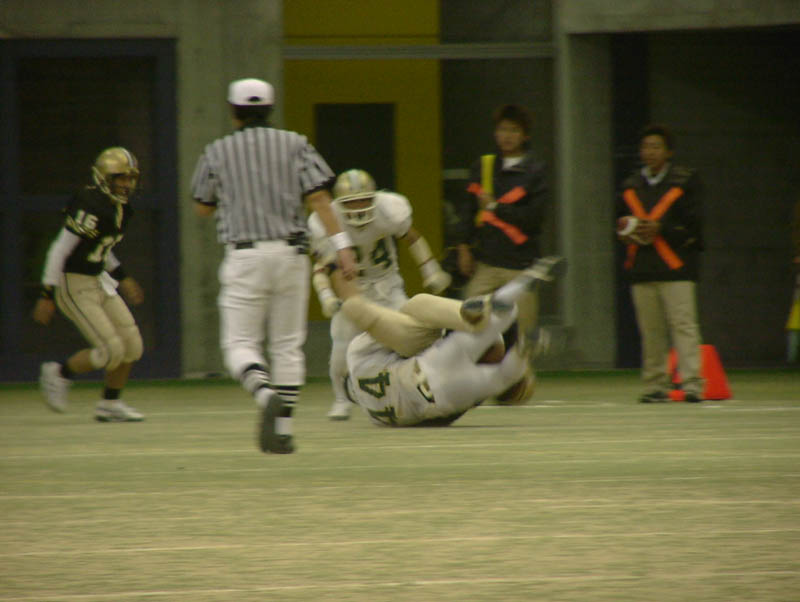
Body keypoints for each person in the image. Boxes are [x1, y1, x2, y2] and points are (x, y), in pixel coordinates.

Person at [190, 78, 357, 454]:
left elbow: (202, 206)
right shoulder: (296, 144)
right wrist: (343, 247)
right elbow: (320, 198)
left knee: (239, 344)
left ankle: (265, 395)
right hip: (291, 255)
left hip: (245, 255)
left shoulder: (216, 150)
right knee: (287, 346)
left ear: (233, 112)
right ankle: (282, 432)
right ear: (270, 109)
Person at [316, 255, 564, 427]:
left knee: (497, 368)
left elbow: (437, 420)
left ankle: (516, 342)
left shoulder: (376, 418)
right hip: (426, 382)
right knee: (416, 309)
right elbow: (393, 332)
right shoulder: (357, 365)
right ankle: (494, 318)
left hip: (436, 392)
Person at [309, 168, 451, 420]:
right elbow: (321, 267)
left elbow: (412, 238)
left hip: (387, 285)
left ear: (375, 198)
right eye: (351, 202)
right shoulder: (328, 221)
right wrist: (327, 297)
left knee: (412, 336)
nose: (358, 207)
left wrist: (430, 270)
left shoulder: (389, 210)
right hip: (353, 291)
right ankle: (341, 399)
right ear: (339, 204)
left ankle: (429, 386)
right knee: (341, 347)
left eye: (364, 200)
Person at [33, 147, 146, 422]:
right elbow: (59, 250)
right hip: (74, 283)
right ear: (103, 178)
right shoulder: (89, 203)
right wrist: (47, 293)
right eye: (120, 178)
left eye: (130, 178)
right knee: (111, 351)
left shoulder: (120, 208)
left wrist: (122, 276)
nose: (126, 184)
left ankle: (110, 404)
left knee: (132, 346)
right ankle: (59, 373)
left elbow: (101, 249)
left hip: (98, 280)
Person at [617, 124, 704, 403]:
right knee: (651, 331)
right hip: (642, 267)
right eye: (646, 147)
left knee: (683, 326)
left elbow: (695, 226)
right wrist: (624, 231)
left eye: (656, 146)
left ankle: (692, 384)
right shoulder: (630, 185)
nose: (650, 152)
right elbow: (618, 223)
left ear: (669, 152)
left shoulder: (685, 181)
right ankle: (655, 385)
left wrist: (661, 229)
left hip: (677, 268)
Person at [452, 104, 549, 335]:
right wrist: (463, 247)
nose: (507, 136)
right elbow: (467, 211)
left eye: (514, 130)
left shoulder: (535, 171)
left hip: (522, 265)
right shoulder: (483, 166)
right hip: (486, 263)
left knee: (525, 332)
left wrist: (495, 207)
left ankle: (523, 361)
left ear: (525, 135)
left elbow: (534, 218)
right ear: (495, 133)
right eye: (503, 129)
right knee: (468, 321)